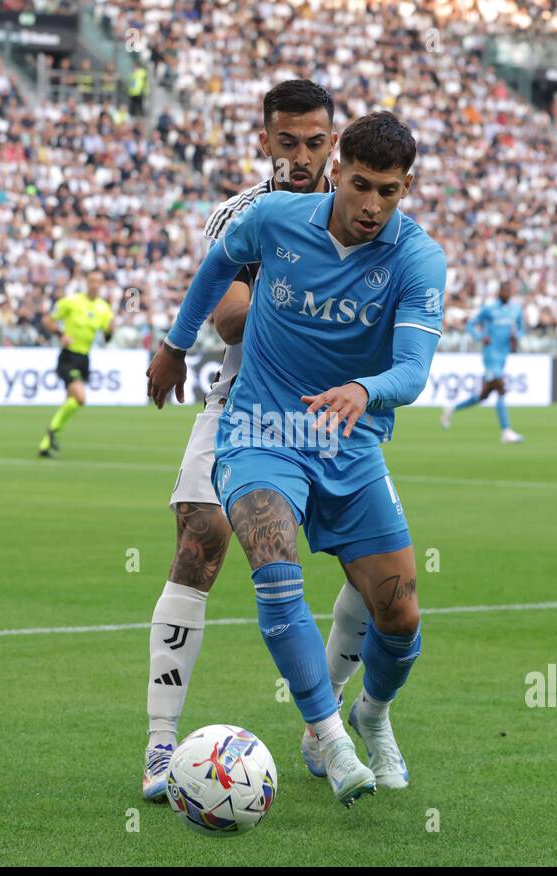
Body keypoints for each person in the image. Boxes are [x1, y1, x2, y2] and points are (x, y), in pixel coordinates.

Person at [147, 111, 446, 808]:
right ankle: (330, 737)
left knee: (399, 615)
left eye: (391, 192)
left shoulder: (417, 257)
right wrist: (174, 342)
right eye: (362, 186)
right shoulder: (277, 219)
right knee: (273, 570)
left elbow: (414, 370)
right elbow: (218, 265)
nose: (373, 206)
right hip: (260, 433)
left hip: (351, 444)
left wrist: (363, 390)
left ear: (407, 188)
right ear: (336, 173)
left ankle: (370, 714)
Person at [38, 271, 114, 457]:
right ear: (86, 282)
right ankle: (52, 431)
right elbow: (48, 319)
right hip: (68, 357)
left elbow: (106, 336)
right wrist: (61, 334)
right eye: (92, 281)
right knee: (80, 397)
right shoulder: (71, 301)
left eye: (98, 281)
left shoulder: (104, 309)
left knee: (70, 402)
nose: (95, 284)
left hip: (84, 359)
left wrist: (110, 331)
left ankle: (46, 443)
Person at [440, 279, 525, 443]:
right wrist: (480, 337)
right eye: (504, 290)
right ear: (499, 292)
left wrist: (517, 336)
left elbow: (521, 329)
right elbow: (470, 325)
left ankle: (451, 409)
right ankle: (506, 431)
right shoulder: (489, 309)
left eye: (509, 291)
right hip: (490, 355)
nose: (506, 293)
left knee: (483, 395)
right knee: (501, 388)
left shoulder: (516, 310)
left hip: (503, 355)